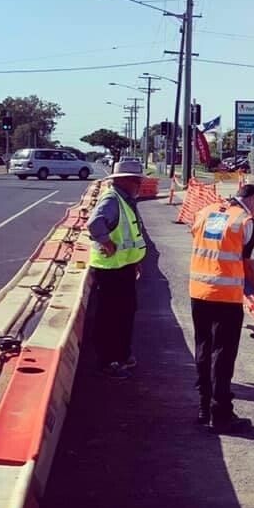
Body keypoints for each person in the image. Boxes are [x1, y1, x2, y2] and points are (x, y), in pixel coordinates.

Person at [189, 183, 254, 432]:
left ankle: (204, 408)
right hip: (225, 296)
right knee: (223, 354)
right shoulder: (246, 222)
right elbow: (248, 265)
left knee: (203, 347)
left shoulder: (206, 211)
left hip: (198, 290)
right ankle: (221, 413)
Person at [86, 158, 147, 379]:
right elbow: (95, 223)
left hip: (124, 267)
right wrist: (107, 242)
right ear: (125, 181)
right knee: (110, 317)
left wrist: (135, 259)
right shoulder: (112, 199)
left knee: (125, 313)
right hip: (111, 270)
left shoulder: (125, 200)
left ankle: (122, 354)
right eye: (136, 180)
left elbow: (131, 234)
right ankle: (108, 360)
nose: (139, 184)